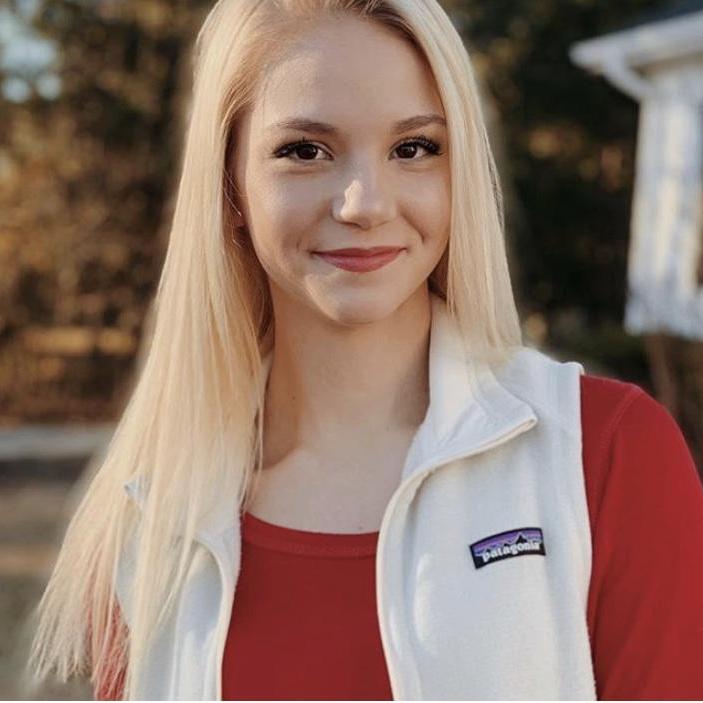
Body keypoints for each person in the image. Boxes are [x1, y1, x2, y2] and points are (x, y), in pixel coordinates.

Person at [23, 0, 703, 700]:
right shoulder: (153, 516)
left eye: (414, 148)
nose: (365, 204)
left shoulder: (605, 457)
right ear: (229, 186)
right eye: (304, 151)